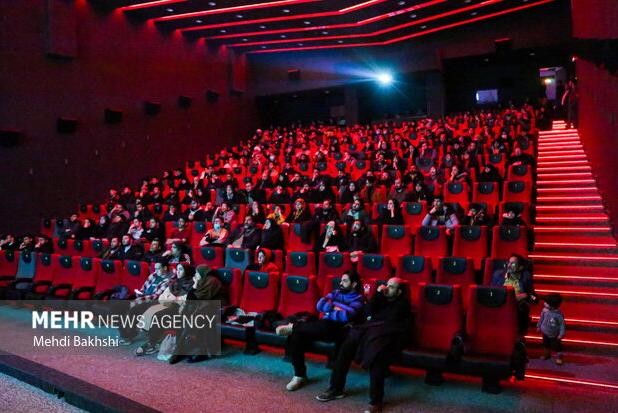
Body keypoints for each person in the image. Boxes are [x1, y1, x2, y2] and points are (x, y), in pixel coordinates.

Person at [316, 277, 412, 413]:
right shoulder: (381, 298)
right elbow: (368, 312)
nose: (387, 288)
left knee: (377, 356)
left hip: (389, 336)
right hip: (370, 332)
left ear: (399, 291)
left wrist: (377, 308)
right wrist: (378, 295)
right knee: (346, 347)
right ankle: (336, 388)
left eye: (391, 287)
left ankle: (376, 401)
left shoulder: (403, 303)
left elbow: (390, 318)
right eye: (387, 285)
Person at [276, 271, 365, 391]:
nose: (341, 283)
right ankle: (299, 375)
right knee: (296, 336)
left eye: (345, 281)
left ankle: (294, 326)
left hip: (340, 330)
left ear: (354, 284)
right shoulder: (336, 292)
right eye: (341, 280)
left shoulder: (359, 299)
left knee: (324, 325)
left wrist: (331, 307)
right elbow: (319, 305)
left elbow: (346, 316)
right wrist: (336, 308)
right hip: (324, 325)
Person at [169, 264, 228, 364]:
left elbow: (199, 298)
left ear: (202, 273)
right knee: (183, 316)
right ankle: (180, 349)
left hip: (215, 308)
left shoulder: (212, 281)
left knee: (194, 319)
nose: (195, 275)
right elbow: (190, 299)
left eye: (197, 273)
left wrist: (195, 286)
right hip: (203, 306)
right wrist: (195, 285)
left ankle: (181, 352)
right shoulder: (201, 281)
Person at [134, 263, 195, 356]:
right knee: (144, 307)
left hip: (180, 309)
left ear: (187, 271)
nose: (177, 272)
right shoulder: (174, 281)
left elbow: (184, 300)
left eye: (181, 270)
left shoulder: (191, 284)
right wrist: (172, 298)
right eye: (177, 269)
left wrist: (173, 298)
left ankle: (152, 343)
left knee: (158, 315)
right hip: (168, 305)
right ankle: (151, 341)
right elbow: (162, 297)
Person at [118, 259, 174, 345]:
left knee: (133, 310)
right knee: (121, 307)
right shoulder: (153, 275)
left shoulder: (168, 280)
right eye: (155, 268)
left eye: (158, 268)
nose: (156, 271)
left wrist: (140, 299)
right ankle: (125, 334)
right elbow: (143, 288)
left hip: (153, 302)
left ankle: (129, 336)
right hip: (143, 298)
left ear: (165, 268)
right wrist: (139, 293)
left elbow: (156, 296)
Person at [490, 253, 536, 334]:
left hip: (516, 304)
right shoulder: (498, 274)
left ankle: (518, 335)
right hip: (500, 302)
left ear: (520, 267)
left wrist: (527, 295)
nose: (509, 265)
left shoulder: (526, 276)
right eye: (509, 262)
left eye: (513, 263)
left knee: (522, 308)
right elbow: (490, 292)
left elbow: (533, 296)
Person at [537, 293, 565, 365]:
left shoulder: (559, 315)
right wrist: (538, 326)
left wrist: (561, 333)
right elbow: (541, 319)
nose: (545, 303)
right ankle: (547, 354)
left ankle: (558, 357)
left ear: (552, 305)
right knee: (545, 344)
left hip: (554, 334)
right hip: (545, 332)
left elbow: (562, 325)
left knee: (556, 346)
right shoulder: (544, 311)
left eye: (547, 303)